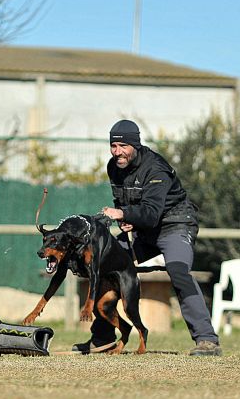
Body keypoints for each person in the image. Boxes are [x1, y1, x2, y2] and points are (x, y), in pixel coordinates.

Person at [73, 119, 222, 356]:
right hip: (143, 231)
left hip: (176, 224)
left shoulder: (156, 168)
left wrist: (123, 213)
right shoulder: (114, 167)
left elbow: (152, 213)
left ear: (135, 144)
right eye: (113, 146)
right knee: (105, 264)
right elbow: (127, 205)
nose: (117, 152)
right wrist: (126, 219)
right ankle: (103, 339)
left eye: (123, 146)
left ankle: (207, 340)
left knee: (179, 271)